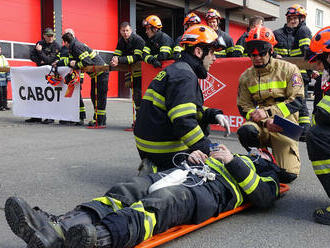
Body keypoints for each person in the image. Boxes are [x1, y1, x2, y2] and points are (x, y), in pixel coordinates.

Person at [5, 144, 281, 248]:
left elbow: (263, 198)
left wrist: (234, 162)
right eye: (253, 149)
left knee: (162, 204)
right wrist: (200, 157)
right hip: (184, 173)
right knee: (128, 189)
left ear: (267, 159)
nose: (254, 152)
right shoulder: (227, 155)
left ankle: (100, 237)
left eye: (259, 152)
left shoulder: (268, 175)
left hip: (206, 193)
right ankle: (56, 229)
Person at [134, 24, 230, 175]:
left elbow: (189, 109)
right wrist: (208, 149)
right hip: (160, 147)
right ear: (198, 51)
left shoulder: (178, 69)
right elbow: (183, 120)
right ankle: (164, 168)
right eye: (211, 53)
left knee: (201, 125)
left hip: (148, 143)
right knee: (208, 168)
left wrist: (213, 114)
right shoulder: (185, 75)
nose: (214, 58)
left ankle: (157, 164)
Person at [236, 26, 304, 183]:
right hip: (261, 124)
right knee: (246, 131)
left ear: (271, 50)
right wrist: (264, 120)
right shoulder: (245, 77)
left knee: (288, 176)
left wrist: (270, 113)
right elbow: (243, 107)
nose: (257, 57)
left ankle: (272, 163)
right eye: (252, 54)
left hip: (284, 125)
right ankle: (262, 159)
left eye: (261, 53)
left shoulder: (289, 69)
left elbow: (297, 101)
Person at [273, 4, 312, 141]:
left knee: (301, 103)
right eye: (290, 18)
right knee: (286, 102)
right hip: (282, 75)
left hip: (300, 75)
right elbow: (269, 49)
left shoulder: (303, 31)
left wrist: (310, 71)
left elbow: (307, 54)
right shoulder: (278, 34)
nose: (293, 20)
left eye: (295, 18)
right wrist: (276, 55)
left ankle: (305, 131)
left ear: (301, 19)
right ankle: (289, 129)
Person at [304, 27, 330, 225]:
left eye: (320, 60)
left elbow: (322, 114)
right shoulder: (325, 78)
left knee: (318, 136)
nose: (318, 66)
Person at [61, 32, 109, 127]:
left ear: (66, 42)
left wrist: (76, 64)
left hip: (101, 73)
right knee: (95, 97)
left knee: (99, 97)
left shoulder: (76, 46)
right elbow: (74, 61)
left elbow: (87, 62)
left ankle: (100, 121)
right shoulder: (74, 46)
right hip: (96, 75)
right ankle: (100, 120)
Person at [110, 22, 145, 119]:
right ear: (120, 31)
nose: (125, 33)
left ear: (131, 30)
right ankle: (138, 120)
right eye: (123, 31)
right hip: (130, 70)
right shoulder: (121, 41)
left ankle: (140, 119)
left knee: (138, 94)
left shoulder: (138, 40)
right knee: (134, 93)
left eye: (127, 31)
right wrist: (114, 60)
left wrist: (119, 60)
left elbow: (137, 57)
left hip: (140, 71)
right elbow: (117, 53)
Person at [28, 27, 60, 124]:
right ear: (44, 36)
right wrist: (39, 60)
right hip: (40, 73)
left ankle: (50, 117)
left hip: (50, 75)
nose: (51, 38)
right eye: (49, 36)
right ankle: (36, 116)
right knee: (37, 95)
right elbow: (32, 56)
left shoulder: (56, 46)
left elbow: (49, 61)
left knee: (49, 96)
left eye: (52, 36)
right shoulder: (39, 43)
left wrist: (40, 52)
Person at [54, 28, 86, 126]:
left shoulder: (79, 45)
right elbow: (58, 59)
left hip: (75, 76)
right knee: (65, 97)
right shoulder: (63, 49)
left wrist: (81, 78)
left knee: (77, 98)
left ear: (73, 35)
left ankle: (80, 117)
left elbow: (82, 63)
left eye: (69, 35)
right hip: (65, 78)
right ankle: (67, 117)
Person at [0, 46, 10, 111]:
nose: (0, 50)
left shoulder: (3, 57)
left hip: (4, 80)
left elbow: (7, 67)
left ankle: (5, 105)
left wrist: (8, 77)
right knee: (0, 93)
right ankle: (0, 106)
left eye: (0, 49)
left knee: (4, 93)